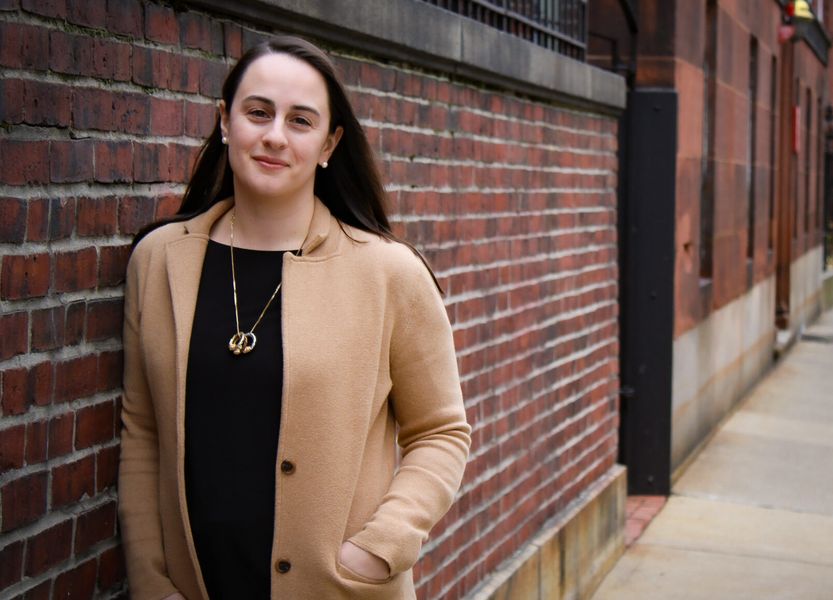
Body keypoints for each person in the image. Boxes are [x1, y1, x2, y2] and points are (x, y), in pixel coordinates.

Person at [118, 36, 471, 600]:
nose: (275, 135)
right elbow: (142, 433)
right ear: (225, 122)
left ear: (330, 143)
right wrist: (151, 581)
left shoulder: (387, 272)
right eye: (258, 112)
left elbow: (442, 431)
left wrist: (380, 550)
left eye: (300, 120)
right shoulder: (159, 261)